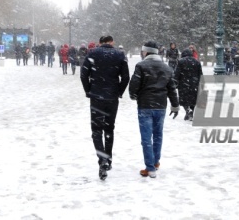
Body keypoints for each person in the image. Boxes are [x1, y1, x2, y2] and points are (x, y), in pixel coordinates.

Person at [80, 35, 130, 180]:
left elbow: (84, 75)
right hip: (112, 96)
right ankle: (108, 159)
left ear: (100, 43)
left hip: (97, 96)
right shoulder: (119, 55)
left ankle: (101, 159)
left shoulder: (93, 53)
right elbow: (126, 77)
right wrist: (119, 91)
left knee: (96, 129)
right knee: (109, 128)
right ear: (111, 42)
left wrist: (88, 90)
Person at [129, 41, 179, 178]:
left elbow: (134, 84)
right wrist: (175, 105)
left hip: (145, 105)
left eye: (143, 51)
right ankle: (156, 162)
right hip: (160, 106)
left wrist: (133, 95)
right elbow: (172, 89)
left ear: (146, 52)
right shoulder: (166, 68)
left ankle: (150, 168)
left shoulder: (141, 66)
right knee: (158, 135)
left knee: (146, 137)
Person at [173, 48, 202, 121]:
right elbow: (200, 74)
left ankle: (187, 110)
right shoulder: (197, 62)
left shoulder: (181, 61)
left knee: (183, 99)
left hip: (183, 83)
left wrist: (175, 82)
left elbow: (177, 73)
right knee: (193, 99)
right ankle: (191, 112)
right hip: (194, 84)